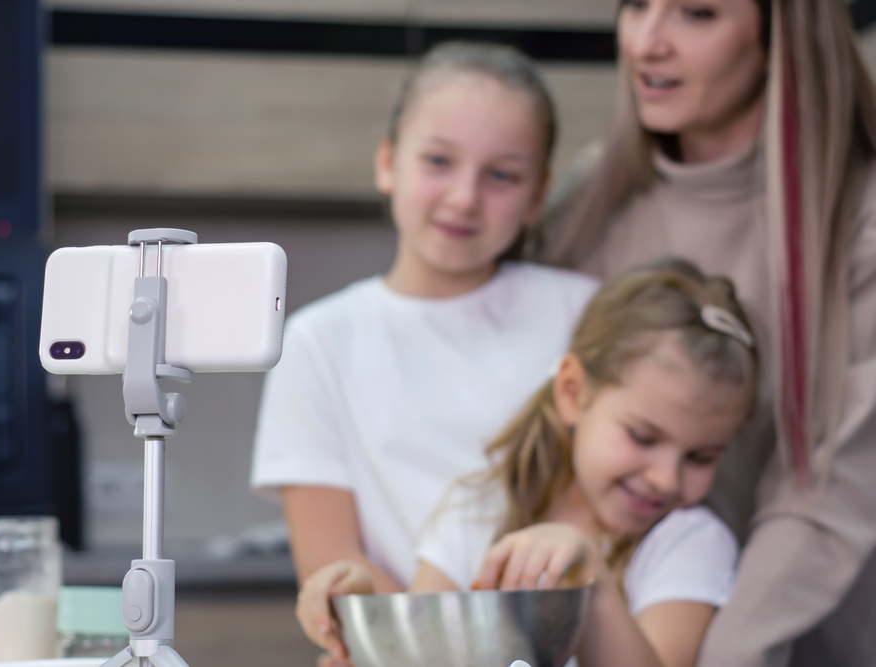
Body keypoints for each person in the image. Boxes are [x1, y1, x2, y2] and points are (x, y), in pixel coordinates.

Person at [530, 0, 876, 664]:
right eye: (636, 6)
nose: (648, 42)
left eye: (696, 13)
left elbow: (827, 492)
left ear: (782, 38)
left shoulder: (859, 221)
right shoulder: (589, 201)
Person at [249, 41, 598, 659]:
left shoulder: (583, 315)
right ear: (388, 162)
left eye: (502, 175)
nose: (465, 197)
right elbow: (334, 561)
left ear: (538, 194)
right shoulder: (318, 342)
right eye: (438, 160)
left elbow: (604, 507)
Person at [298, 259, 760, 667]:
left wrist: (590, 580)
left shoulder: (689, 543)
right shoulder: (478, 508)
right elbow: (426, 651)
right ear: (572, 392)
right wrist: (361, 618)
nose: (666, 477)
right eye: (642, 437)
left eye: (701, 457)